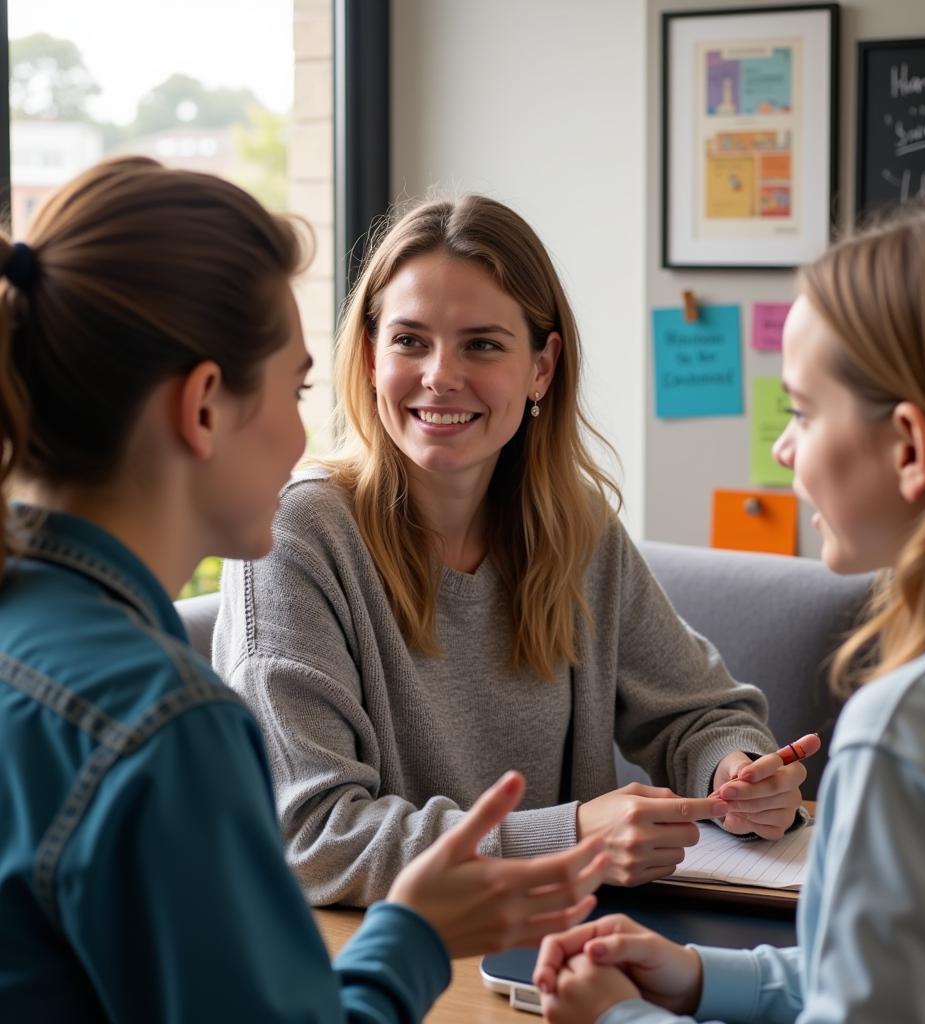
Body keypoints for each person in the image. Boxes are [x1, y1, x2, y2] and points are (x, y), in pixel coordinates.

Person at [0, 156, 612, 1022]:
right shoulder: (163, 726)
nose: (304, 437)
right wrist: (415, 932)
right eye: (295, 389)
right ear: (204, 406)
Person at [214, 194, 810, 909]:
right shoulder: (294, 537)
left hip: (554, 945)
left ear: (542, 368)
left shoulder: (575, 528)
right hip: (377, 959)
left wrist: (736, 773)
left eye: (482, 344)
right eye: (409, 341)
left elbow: (699, 712)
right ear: (371, 357)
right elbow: (313, 838)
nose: (440, 375)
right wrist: (571, 835)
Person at [533, 193, 925, 1023]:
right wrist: (697, 976)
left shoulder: (903, 733)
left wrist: (617, 1018)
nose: (782, 446)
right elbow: (894, 978)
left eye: (800, 411)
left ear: (909, 448)